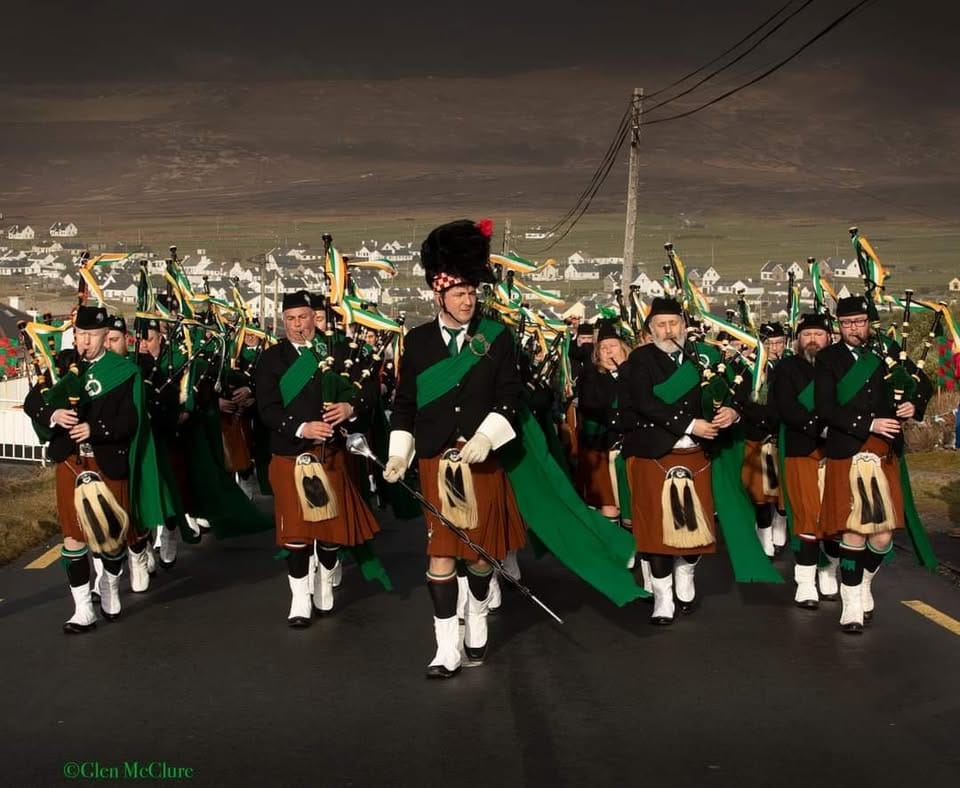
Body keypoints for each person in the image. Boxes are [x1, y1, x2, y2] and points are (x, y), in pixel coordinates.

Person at [383, 218, 525, 679]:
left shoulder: (497, 338)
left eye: (473, 292)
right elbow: (405, 405)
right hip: (434, 462)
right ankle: (446, 646)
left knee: (479, 555)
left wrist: (486, 437)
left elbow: (511, 397)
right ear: (438, 294)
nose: (468, 300)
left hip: (479, 459)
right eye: (459, 293)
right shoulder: (418, 341)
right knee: (441, 552)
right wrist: (399, 454)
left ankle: (478, 614)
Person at [23, 305, 159, 632]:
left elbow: (130, 420)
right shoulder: (62, 366)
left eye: (92, 335)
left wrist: (94, 429)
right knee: (73, 536)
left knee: (111, 539)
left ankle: (111, 582)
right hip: (71, 460)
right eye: (80, 334)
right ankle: (83, 608)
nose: (85, 342)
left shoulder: (124, 372)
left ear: (104, 337)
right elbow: (33, 402)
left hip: (107, 460)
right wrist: (53, 416)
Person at [256, 290, 380, 626]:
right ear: (284, 323)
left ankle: (325, 581)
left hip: (330, 454)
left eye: (304, 318)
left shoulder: (339, 352)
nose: (299, 326)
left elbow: (370, 391)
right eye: (291, 320)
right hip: (290, 452)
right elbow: (266, 408)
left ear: (316, 318)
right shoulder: (271, 359)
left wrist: (350, 407)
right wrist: (301, 428)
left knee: (327, 530)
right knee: (295, 534)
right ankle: (299, 597)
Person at [619, 297, 740, 625]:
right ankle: (662, 596)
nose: (668, 330)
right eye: (661, 324)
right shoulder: (639, 361)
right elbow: (644, 402)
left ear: (685, 326)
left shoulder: (703, 359)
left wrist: (732, 411)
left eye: (674, 323)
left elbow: (727, 394)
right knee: (655, 529)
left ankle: (686, 571)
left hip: (696, 454)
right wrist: (689, 424)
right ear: (650, 329)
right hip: (654, 453)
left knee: (695, 526)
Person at [815, 296, 932, 633]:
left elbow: (920, 383)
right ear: (838, 325)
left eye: (860, 322)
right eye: (848, 323)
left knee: (881, 538)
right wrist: (870, 422)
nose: (855, 329)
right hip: (847, 449)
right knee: (853, 529)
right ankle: (851, 604)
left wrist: (913, 404)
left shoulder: (889, 351)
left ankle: (863, 582)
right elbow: (825, 408)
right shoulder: (827, 359)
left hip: (883, 452)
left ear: (869, 323)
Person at [769, 313, 838, 608]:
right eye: (807, 334)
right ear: (798, 339)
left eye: (818, 334)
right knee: (807, 516)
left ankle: (829, 571)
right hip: (801, 448)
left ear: (829, 337)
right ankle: (806, 581)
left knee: (836, 517)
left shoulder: (841, 366)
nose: (812, 340)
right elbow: (785, 406)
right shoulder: (786, 368)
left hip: (837, 451)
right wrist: (818, 426)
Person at [741, 322, 786, 558]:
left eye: (779, 343)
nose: (775, 348)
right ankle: (765, 535)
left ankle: (780, 523)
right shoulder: (749, 369)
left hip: (782, 438)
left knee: (782, 491)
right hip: (757, 437)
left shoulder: (791, 367)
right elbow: (743, 402)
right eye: (769, 343)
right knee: (760, 493)